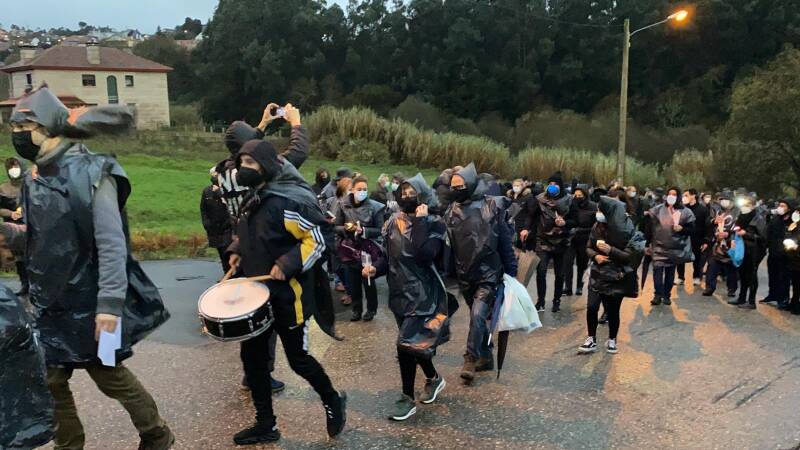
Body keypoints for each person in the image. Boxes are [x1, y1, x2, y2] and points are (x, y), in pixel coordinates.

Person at [4, 86, 173, 450]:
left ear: (47, 127)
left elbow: (112, 243)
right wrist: (6, 232)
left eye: (23, 126)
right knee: (50, 378)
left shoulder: (95, 172)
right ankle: (70, 444)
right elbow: (37, 238)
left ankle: (157, 435)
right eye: (13, 127)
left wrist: (109, 306)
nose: (16, 134)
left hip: (95, 303)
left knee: (109, 374)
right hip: (50, 305)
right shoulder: (33, 178)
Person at [227, 139, 346, 445]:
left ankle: (333, 400)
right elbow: (249, 232)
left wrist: (288, 262)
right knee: (253, 360)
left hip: (288, 296)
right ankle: (265, 423)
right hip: (255, 296)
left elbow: (319, 235)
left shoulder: (286, 202)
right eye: (241, 163)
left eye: (250, 163)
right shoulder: (253, 197)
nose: (243, 168)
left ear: (265, 166)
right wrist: (237, 249)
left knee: (298, 360)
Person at [217, 103, 309, 395]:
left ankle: (252, 373)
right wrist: (296, 123)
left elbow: (244, 146)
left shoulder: (222, 172)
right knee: (265, 313)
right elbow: (296, 154)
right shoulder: (255, 173)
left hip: (239, 242)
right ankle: (263, 374)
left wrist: (262, 124)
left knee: (249, 311)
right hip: (261, 243)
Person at [372, 174, 449, 421]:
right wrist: (375, 269)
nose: (406, 196)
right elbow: (388, 256)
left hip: (423, 295)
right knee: (414, 344)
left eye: (412, 192)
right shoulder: (393, 221)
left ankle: (406, 398)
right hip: (399, 293)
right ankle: (433, 378)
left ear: (423, 195)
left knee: (404, 345)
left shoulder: (435, 223)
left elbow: (424, 254)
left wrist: (420, 221)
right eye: (403, 192)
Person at [444, 163, 517, 384]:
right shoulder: (451, 211)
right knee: (478, 318)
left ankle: (470, 358)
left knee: (477, 315)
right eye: (453, 186)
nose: (456, 189)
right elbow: (449, 245)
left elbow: (504, 241)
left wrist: (511, 273)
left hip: (489, 274)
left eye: (460, 185)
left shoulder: (492, 206)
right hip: (465, 274)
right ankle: (486, 356)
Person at [579, 196, 638, 354]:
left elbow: (630, 256)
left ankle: (612, 339)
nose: (598, 213)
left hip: (616, 275)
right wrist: (595, 256)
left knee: (613, 310)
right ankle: (591, 338)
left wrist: (611, 250)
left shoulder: (627, 229)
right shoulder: (596, 226)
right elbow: (589, 246)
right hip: (597, 273)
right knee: (592, 307)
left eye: (601, 210)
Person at [335, 176, 385, 321]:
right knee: (353, 282)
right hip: (349, 249)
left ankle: (371, 309)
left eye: (365, 189)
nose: (362, 192)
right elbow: (336, 226)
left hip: (368, 249)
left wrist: (363, 230)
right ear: (352, 190)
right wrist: (346, 229)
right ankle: (356, 309)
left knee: (368, 280)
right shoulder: (342, 204)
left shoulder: (375, 207)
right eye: (359, 189)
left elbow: (380, 230)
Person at [521, 171, 572, 312]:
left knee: (559, 274)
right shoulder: (540, 199)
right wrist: (525, 228)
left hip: (561, 240)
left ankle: (557, 300)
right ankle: (541, 301)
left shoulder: (569, 200)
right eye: (550, 183)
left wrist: (565, 223)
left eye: (555, 184)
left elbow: (575, 220)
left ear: (561, 186)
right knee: (541, 271)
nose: (552, 186)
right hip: (542, 239)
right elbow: (531, 216)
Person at [647, 187, 696, 306]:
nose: (671, 196)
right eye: (669, 194)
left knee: (670, 273)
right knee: (657, 271)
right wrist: (647, 243)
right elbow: (649, 227)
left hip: (675, 248)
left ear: (678, 196)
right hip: (658, 247)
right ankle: (657, 295)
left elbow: (692, 229)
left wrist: (682, 229)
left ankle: (666, 295)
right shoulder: (658, 210)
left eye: (674, 194)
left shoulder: (686, 212)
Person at [730, 195, 767, 310]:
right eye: (742, 205)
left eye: (747, 205)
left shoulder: (758, 218)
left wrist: (746, 234)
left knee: (751, 275)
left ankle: (751, 301)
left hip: (754, 251)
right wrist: (733, 239)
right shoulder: (740, 216)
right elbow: (735, 229)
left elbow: (763, 237)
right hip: (742, 249)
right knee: (742, 274)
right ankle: (741, 298)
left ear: (753, 206)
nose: (744, 207)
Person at [702, 191, 740, 298]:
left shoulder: (738, 212)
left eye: (726, 199)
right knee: (712, 266)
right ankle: (709, 287)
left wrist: (729, 233)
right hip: (716, 242)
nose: (723, 201)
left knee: (731, 268)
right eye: (722, 199)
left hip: (731, 242)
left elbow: (740, 227)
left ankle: (731, 289)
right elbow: (707, 221)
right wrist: (714, 221)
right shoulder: (715, 209)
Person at [0, 157, 28, 295]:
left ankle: (37, 285)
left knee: (31, 255)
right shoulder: (3, 188)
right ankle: (24, 284)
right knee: (18, 258)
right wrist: (10, 213)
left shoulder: (30, 186)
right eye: (11, 167)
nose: (13, 170)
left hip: (28, 225)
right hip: (11, 227)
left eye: (16, 166)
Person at [564, 185, 596, 296]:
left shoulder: (592, 206)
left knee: (582, 264)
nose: (577, 197)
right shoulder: (570, 205)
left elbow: (595, 226)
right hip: (571, 238)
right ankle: (568, 287)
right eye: (575, 195)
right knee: (568, 263)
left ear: (585, 195)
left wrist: (581, 230)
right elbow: (566, 219)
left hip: (584, 239)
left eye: (580, 195)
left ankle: (579, 286)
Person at [761, 200, 793, 308]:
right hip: (773, 252)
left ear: (789, 208)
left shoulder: (792, 221)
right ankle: (772, 295)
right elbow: (768, 232)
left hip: (785, 254)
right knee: (772, 275)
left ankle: (783, 299)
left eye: (783, 206)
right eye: (779, 205)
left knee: (783, 277)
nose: (780, 207)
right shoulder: (775, 219)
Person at [201, 168, 233, 273]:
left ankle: (231, 274)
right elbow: (203, 209)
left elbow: (230, 205)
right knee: (220, 251)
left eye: (216, 175)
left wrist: (220, 193)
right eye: (213, 175)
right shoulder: (206, 191)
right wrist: (206, 222)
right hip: (213, 228)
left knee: (226, 250)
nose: (214, 177)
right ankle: (226, 274)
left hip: (227, 226)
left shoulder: (228, 190)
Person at [676, 189, 710, 286]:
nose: (684, 197)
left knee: (697, 259)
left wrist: (706, 240)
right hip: (683, 237)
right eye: (683, 195)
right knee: (680, 258)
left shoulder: (703, 209)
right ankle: (680, 277)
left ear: (693, 195)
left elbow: (707, 226)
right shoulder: (682, 209)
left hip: (697, 238)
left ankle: (696, 277)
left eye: (686, 195)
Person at [506, 178, 532, 252]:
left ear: (522, 186)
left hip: (521, 226)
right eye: (514, 185)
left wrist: (526, 228)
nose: (516, 187)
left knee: (519, 248)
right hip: (510, 225)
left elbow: (530, 214)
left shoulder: (528, 197)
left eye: (518, 185)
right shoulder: (509, 196)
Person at [783, 208, 800, 315]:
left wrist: (797, 248)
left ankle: (796, 305)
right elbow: (788, 237)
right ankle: (794, 302)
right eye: (796, 212)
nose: (796, 214)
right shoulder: (794, 225)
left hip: (798, 258)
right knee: (795, 283)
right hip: (793, 259)